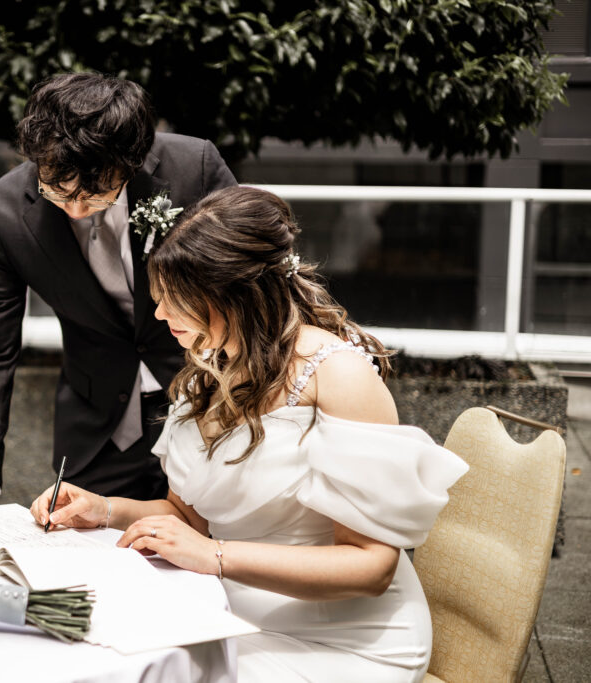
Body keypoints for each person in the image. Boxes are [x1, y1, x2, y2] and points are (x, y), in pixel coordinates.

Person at [30, 185, 469, 682]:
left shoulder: (337, 375)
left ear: (233, 296)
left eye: (175, 301)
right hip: (229, 611)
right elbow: (186, 517)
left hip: (347, 640)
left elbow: (370, 568)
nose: (159, 315)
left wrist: (214, 557)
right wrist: (103, 509)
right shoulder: (211, 367)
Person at [0, 72, 238, 506]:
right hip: (97, 427)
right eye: (56, 191)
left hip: (210, 404)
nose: (74, 210)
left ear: (130, 162)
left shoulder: (194, 168)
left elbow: (250, 286)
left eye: (94, 196)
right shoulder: (2, 211)